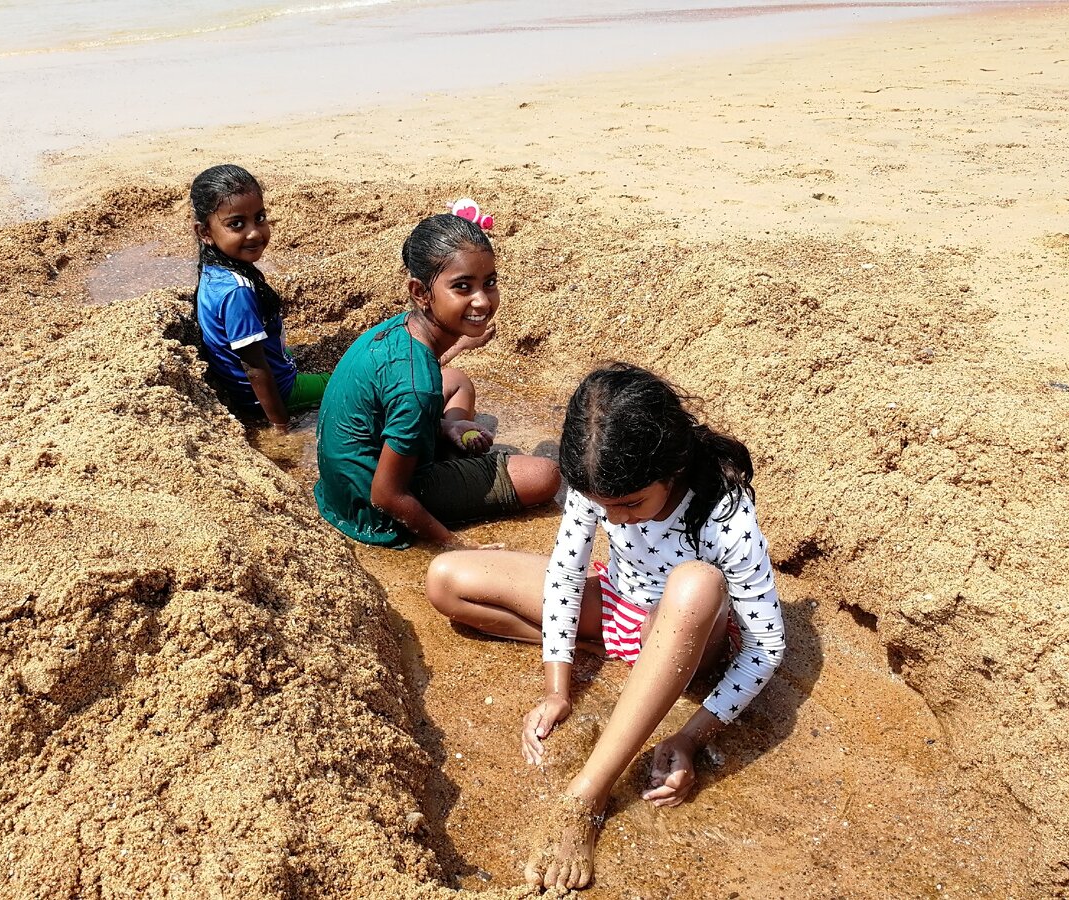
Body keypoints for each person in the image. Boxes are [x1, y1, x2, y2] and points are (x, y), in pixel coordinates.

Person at [425, 363, 786, 891]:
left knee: (694, 584)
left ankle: (586, 793)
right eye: (603, 508)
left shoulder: (722, 507)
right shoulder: (597, 478)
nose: (615, 521)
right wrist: (557, 687)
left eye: (631, 506)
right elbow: (568, 575)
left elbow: (767, 645)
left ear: (672, 467)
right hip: (617, 602)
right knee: (446, 579)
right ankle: (628, 661)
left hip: (692, 628)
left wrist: (690, 737)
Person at [314, 212, 560, 549]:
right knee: (545, 476)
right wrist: (456, 546)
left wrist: (444, 426)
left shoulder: (399, 329)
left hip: (341, 485)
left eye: (489, 282)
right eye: (462, 287)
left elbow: (397, 396)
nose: (483, 300)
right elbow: (386, 495)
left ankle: (447, 437)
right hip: (370, 506)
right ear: (420, 292)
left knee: (457, 380)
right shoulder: (419, 387)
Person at [191, 164, 330, 428]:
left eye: (260, 217)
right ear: (205, 232)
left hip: (252, 382)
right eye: (236, 224)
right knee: (343, 381)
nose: (254, 232)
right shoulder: (238, 292)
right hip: (280, 392)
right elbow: (255, 369)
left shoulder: (215, 270)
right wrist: (281, 424)